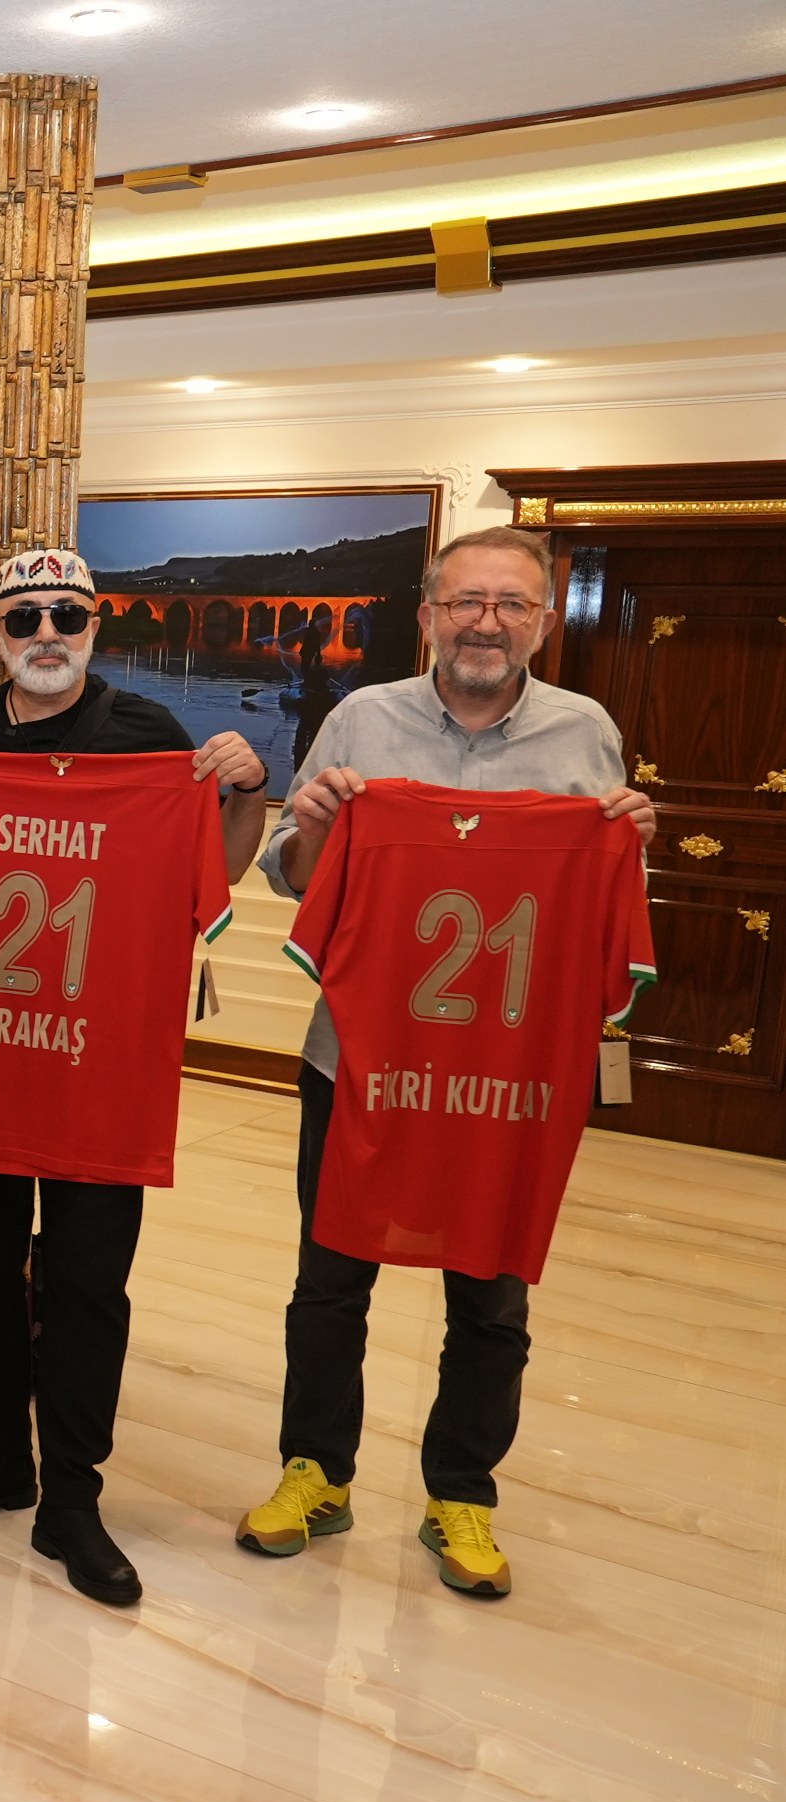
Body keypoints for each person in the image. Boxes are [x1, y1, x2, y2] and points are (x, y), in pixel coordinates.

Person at [236, 524, 654, 1599]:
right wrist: (314, 825)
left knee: (492, 1292)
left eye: (511, 604)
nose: (486, 623)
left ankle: (461, 1489)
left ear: (542, 622)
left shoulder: (585, 732)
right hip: (360, 1062)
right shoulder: (361, 719)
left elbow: (599, 894)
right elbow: (295, 878)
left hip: (507, 1073)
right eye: (466, 601)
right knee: (330, 1280)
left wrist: (627, 845)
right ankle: (315, 1469)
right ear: (428, 615)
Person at [0, 548, 268, 1604]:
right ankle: (2, 1457)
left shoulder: (153, 742)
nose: (47, 633)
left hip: (102, 1069)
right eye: (25, 617)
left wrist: (245, 789)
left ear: (95, 624)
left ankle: (74, 1497)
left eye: (67, 616)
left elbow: (218, 872)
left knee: (88, 1287)